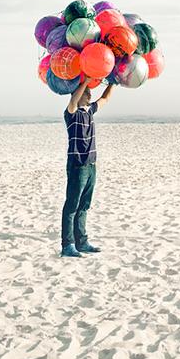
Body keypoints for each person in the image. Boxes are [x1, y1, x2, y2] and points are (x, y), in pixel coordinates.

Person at [60, 79, 114, 257]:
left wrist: (113, 83)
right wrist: (85, 82)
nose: (90, 94)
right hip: (77, 165)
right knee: (72, 205)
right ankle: (68, 245)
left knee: (84, 205)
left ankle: (82, 242)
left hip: (91, 165)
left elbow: (105, 99)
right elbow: (74, 100)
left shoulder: (90, 111)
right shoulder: (72, 113)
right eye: (86, 92)